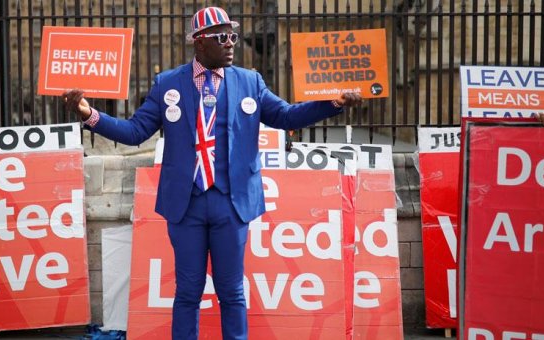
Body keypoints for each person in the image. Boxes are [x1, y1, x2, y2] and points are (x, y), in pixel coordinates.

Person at [63, 6, 362, 340]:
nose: (231, 42)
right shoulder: (168, 84)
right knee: (188, 293)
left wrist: (333, 103)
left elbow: (287, 117)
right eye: (222, 37)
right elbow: (135, 132)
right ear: (199, 42)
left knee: (232, 292)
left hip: (231, 204)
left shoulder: (250, 82)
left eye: (233, 35)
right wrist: (89, 114)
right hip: (186, 205)